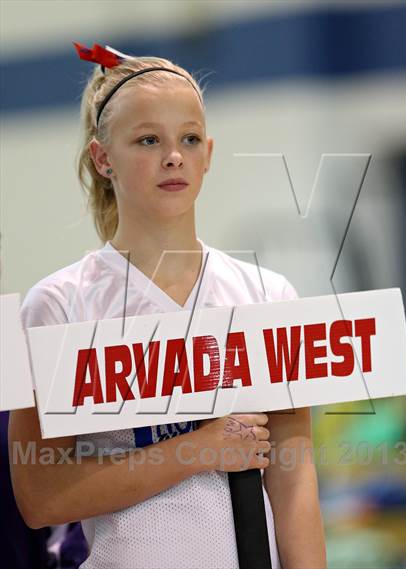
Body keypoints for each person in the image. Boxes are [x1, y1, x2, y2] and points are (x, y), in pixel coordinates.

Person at [9, 45, 326, 568]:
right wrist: (198, 449)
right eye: (148, 139)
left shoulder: (268, 295)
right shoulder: (60, 305)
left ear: (208, 154)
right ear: (102, 158)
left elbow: (293, 479)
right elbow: (41, 497)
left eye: (190, 139)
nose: (173, 155)